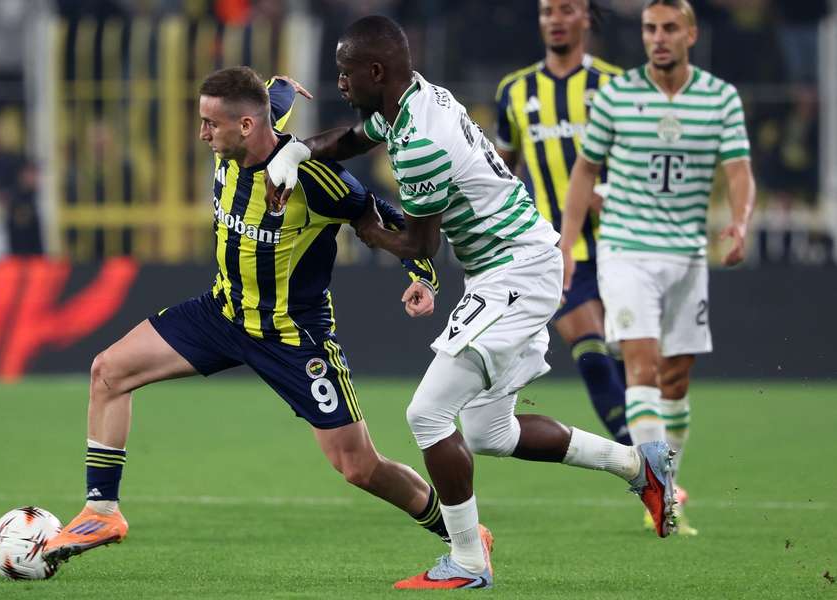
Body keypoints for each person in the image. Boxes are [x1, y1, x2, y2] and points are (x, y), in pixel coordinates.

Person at [264, 16, 676, 590]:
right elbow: (356, 139)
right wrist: (298, 153)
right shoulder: (418, 97)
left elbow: (419, 242)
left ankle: (467, 560)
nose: (340, 83)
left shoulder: (422, 147)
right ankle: (639, 464)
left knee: (426, 414)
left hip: (515, 270)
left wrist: (365, 224)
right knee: (490, 433)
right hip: (515, 263)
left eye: (344, 72)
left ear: (376, 71)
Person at [42, 68, 452, 566]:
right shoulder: (242, 133)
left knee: (359, 467)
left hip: (291, 335)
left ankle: (462, 534)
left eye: (210, 124)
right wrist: (278, 85)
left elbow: (383, 214)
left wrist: (422, 274)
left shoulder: (313, 177)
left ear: (244, 126)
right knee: (108, 371)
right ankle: (101, 511)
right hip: (222, 312)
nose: (202, 134)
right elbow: (270, 103)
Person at [560, 0, 756, 536]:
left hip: (688, 254)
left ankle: (666, 482)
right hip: (627, 249)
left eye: (670, 27)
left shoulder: (720, 98)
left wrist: (740, 222)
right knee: (641, 366)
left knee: (676, 378)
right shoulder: (618, 96)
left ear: (690, 33)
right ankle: (662, 499)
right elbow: (584, 171)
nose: (659, 37)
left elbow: (739, 170)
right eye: (650, 28)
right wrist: (568, 243)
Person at [494, 0, 632, 445]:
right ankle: (648, 470)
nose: (555, 19)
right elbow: (502, 171)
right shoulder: (515, 91)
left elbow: (643, 160)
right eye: (546, 11)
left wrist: (614, 194)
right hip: (556, 252)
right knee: (590, 352)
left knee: (632, 366)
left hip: (623, 247)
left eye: (566, 9)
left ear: (587, 17)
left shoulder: (616, 86)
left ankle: (653, 461)